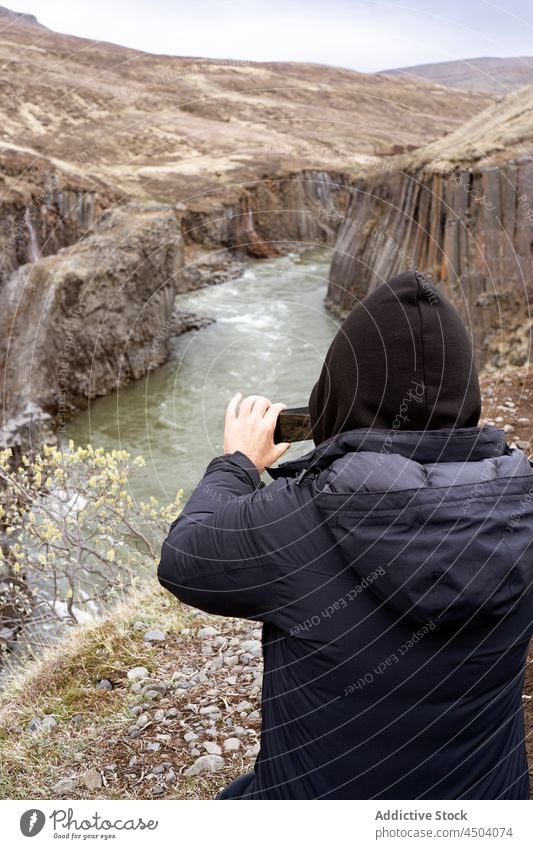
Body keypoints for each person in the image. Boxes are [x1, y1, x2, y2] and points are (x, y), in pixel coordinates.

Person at [157, 270, 533, 799]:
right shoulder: (523, 502)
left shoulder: (297, 518)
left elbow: (183, 556)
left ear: (337, 395)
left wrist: (238, 462)